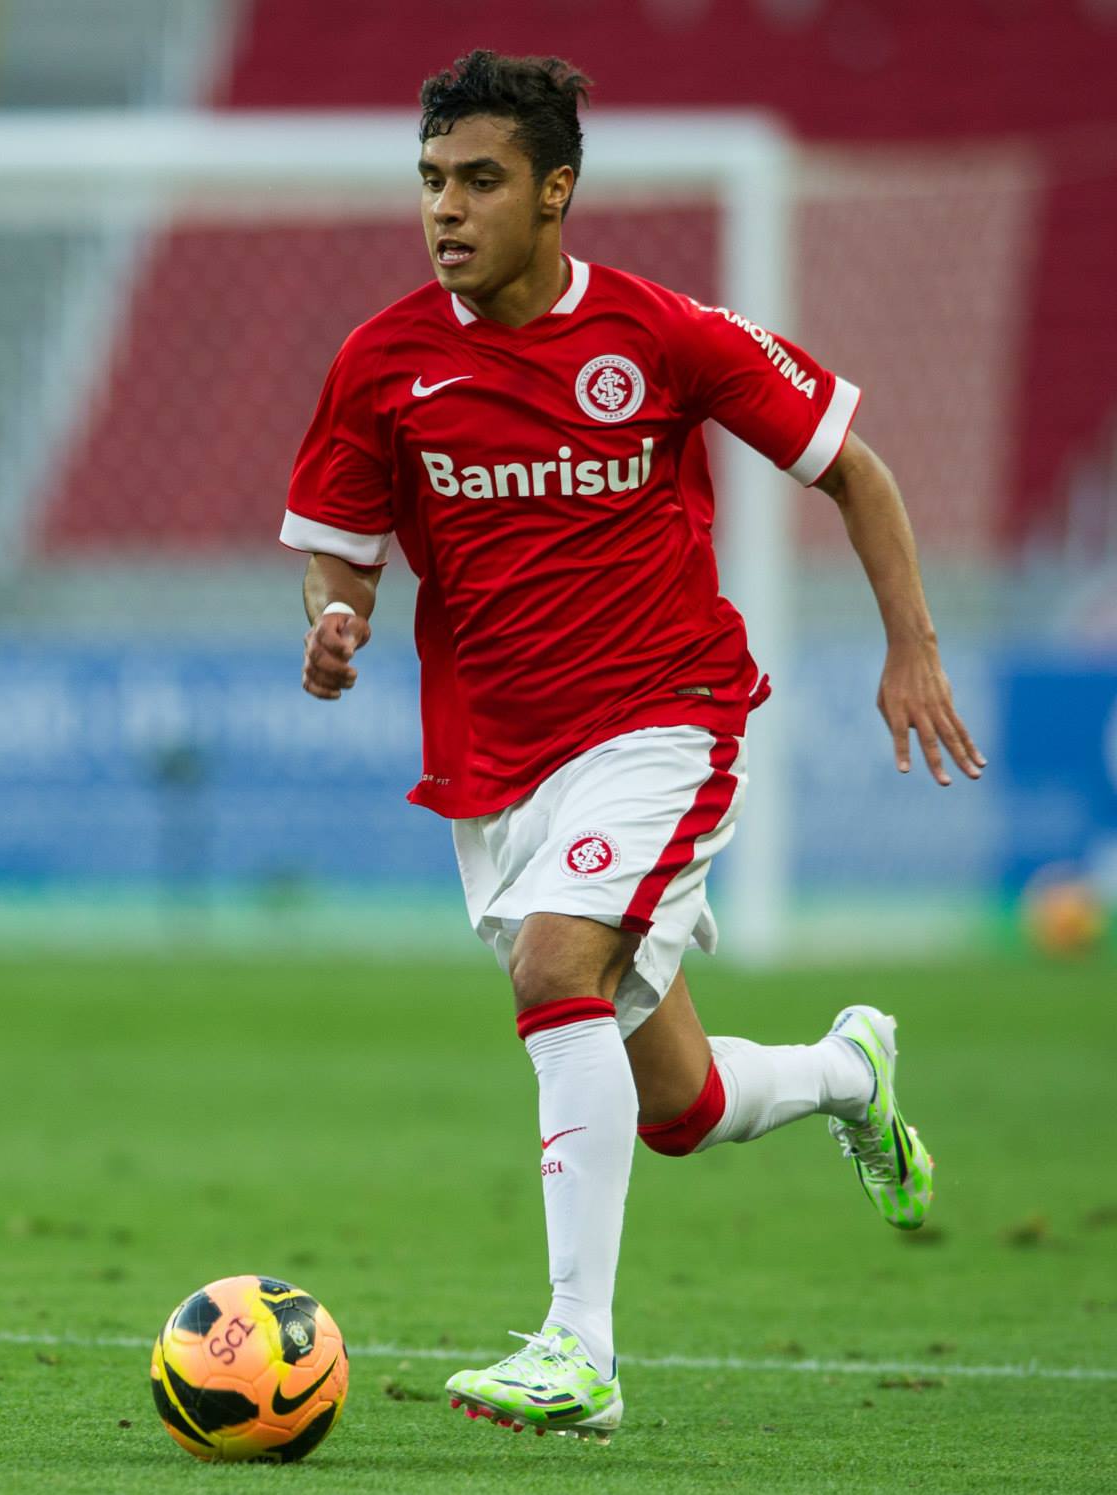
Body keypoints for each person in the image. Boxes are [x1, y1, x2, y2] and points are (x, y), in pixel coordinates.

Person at [280, 49, 983, 1443]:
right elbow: (339, 553)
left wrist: (911, 646)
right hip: (499, 765)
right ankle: (852, 1071)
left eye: (480, 181)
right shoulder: (381, 364)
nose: (446, 209)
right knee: (680, 1103)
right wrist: (336, 620)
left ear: (556, 191)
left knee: (557, 966)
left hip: (667, 719)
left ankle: (578, 1351)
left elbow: (855, 468)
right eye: (431, 181)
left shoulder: (662, 335)